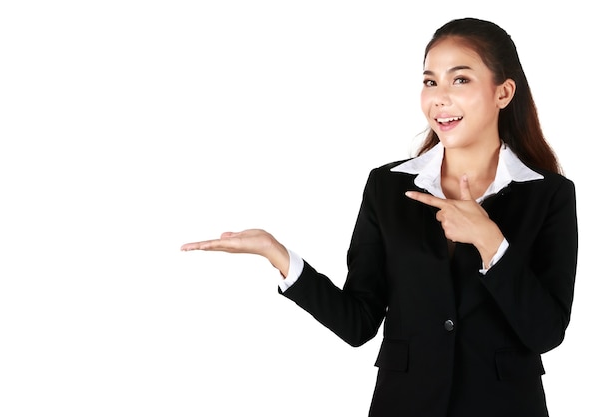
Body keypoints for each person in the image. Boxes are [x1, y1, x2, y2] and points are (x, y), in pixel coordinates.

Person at [181, 17, 578, 417]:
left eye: (460, 80)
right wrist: (279, 255)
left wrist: (491, 241)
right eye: (429, 81)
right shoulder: (387, 188)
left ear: (503, 92)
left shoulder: (549, 195)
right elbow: (358, 322)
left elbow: (546, 331)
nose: (439, 97)